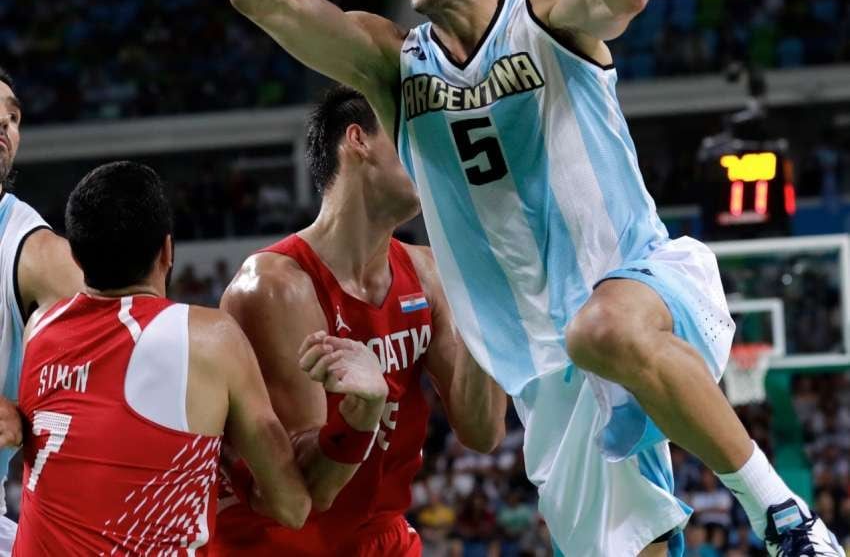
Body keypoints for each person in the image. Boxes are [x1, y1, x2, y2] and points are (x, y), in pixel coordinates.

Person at [227, 0, 845, 557]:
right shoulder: (394, 65)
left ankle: (789, 518)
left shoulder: (545, 13)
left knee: (602, 328)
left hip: (642, 285)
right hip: (541, 366)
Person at [210, 85, 506, 556]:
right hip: (281, 544)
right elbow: (308, 494)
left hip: (381, 535)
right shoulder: (275, 286)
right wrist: (363, 414)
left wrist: (485, 295)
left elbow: (483, 432)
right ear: (358, 139)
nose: (432, 159)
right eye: (413, 139)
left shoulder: (429, 272)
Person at [13, 160, 313, 555]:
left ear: (78, 259)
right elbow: (292, 505)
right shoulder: (209, 337)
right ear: (167, 251)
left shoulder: (39, 329)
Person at [0, 67, 83, 552]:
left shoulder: (35, 252)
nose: (4, 124)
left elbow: (119, 371)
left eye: (13, 117)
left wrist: (31, 420)